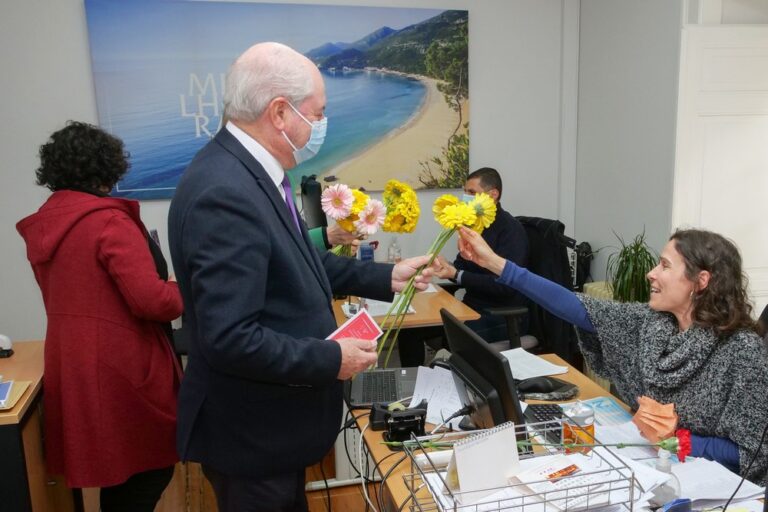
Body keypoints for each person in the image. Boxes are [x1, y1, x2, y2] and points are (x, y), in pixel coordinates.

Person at [168, 42, 434, 511]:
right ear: (279, 113)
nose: (321, 125)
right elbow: (231, 337)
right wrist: (331, 359)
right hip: (254, 435)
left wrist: (388, 276)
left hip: (272, 430)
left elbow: (301, 264)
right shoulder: (225, 193)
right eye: (319, 112)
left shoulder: (257, 173)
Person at [457, 226, 768, 485]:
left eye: (664, 265)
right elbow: (576, 307)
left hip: (713, 490)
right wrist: (497, 265)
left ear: (701, 282)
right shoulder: (652, 324)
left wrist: (676, 439)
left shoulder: (742, 352)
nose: (650, 274)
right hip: (651, 471)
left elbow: (752, 452)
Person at [16, 121, 182, 510]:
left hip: (71, 363)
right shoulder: (109, 220)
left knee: (118, 474)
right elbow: (154, 302)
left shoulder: (47, 222)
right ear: (108, 168)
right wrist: (180, 288)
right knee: (149, 470)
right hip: (121, 364)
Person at [398, 167, 528, 366]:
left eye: (472, 193)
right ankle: (415, 387)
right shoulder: (476, 225)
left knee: (454, 338)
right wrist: (444, 266)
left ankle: (449, 390)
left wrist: (457, 274)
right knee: (408, 331)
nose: (466, 197)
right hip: (468, 308)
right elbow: (460, 267)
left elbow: (505, 286)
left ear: (493, 195)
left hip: (498, 316)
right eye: (465, 192)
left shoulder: (511, 230)